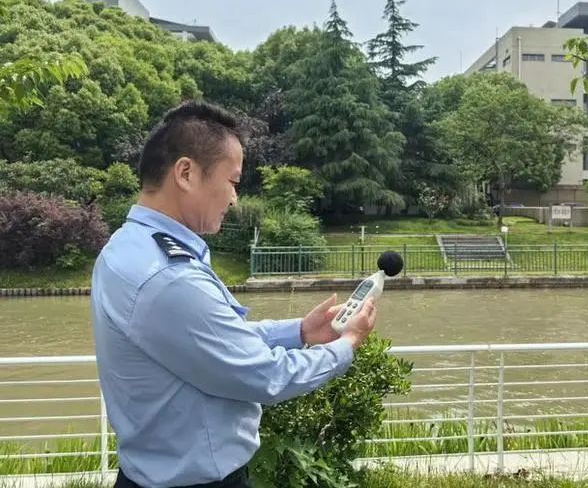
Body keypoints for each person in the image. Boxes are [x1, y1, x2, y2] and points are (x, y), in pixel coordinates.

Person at [91, 101, 377, 488]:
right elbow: (265, 375)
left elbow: (211, 341)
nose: (234, 198)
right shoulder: (169, 278)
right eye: (233, 181)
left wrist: (300, 332)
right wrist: (347, 344)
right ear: (186, 173)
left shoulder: (126, 247)